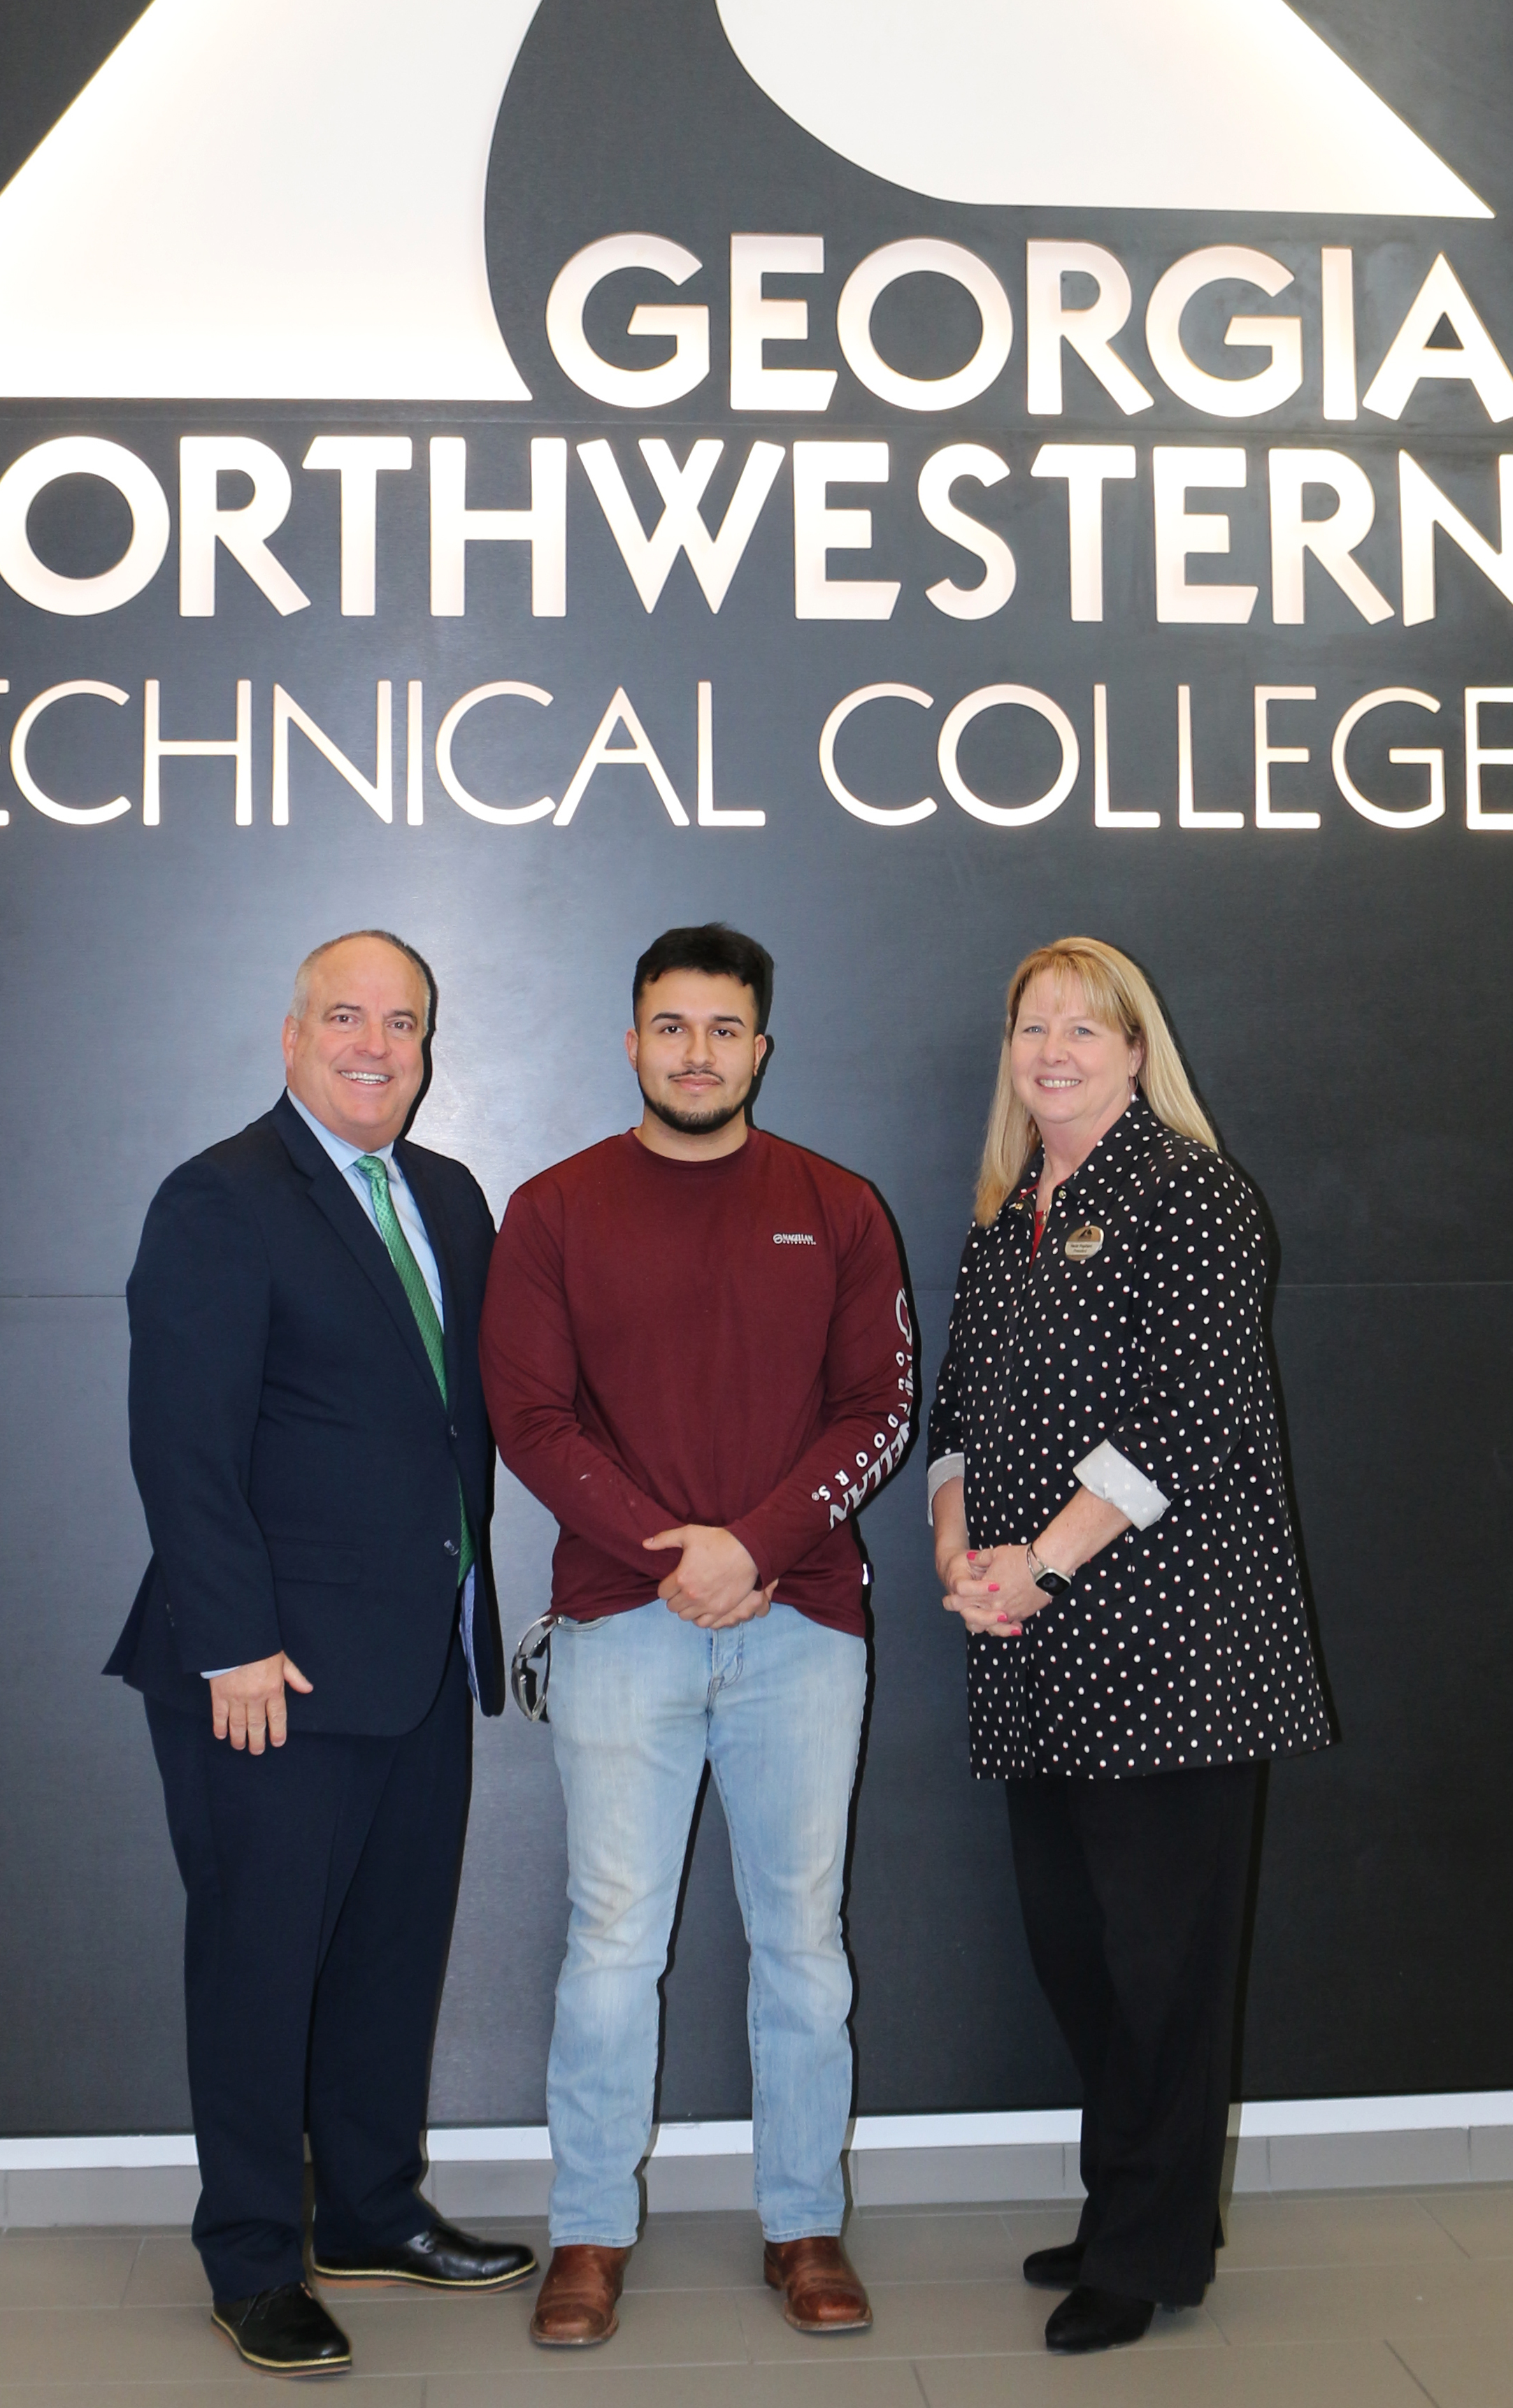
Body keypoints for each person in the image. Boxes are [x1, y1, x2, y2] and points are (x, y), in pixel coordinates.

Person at [480, 923, 913, 2349]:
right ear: (630, 1041)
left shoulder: (836, 1204)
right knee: (611, 1943)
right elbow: (528, 1418)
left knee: (801, 1940)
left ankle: (801, 2221)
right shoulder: (552, 1208)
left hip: (802, 1625)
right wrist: (676, 1549)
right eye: (670, 1026)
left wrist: (756, 1544)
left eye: (723, 1029)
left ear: (759, 1047)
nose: (695, 1052)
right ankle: (589, 2230)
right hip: (620, 1622)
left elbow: (879, 1411)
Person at [106, 930, 534, 2377]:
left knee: (385, 1957)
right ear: (287, 1035)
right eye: (343, 1015)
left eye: (401, 1020)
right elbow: (184, 1442)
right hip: (265, 1675)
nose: (374, 1042)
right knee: (259, 1965)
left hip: (417, 1659)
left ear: (427, 1045)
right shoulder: (219, 1198)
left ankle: (367, 2209)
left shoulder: (449, 1196)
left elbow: (451, 1428)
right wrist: (231, 1639)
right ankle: (249, 2254)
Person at [928, 937, 1332, 2358]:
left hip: (1175, 1649)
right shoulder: (1002, 1219)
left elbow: (1184, 1412)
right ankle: (1137, 2202)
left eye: (1081, 1028)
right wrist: (959, 1558)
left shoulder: (1192, 1195)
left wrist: (1036, 1560)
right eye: (1029, 1023)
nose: (1050, 1048)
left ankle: (1147, 2244)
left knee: (1161, 1961)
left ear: (1133, 1048)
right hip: (1032, 1644)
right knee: (1076, 1951)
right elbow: (955, 1420)